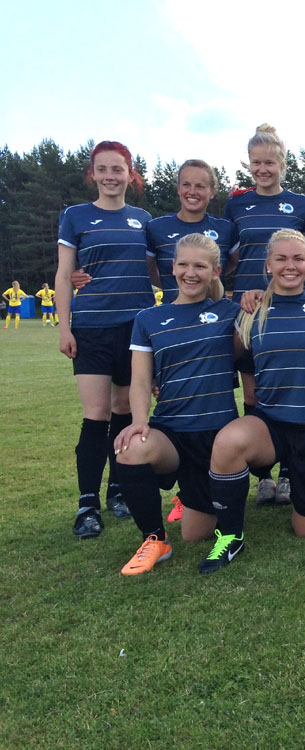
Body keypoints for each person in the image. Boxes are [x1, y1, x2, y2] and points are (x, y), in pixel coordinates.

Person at [203, 229, 305, 573]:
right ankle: (230, 535)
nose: (289, 266)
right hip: (272, 424)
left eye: (298, 258)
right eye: (281, 258)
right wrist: (160, 380)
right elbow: (225, 357)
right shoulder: (251, 311)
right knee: (228, 441)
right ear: (268, 264)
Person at [113, 233, 239, 574]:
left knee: (196, 533)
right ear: (173, 268)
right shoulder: (148, 319)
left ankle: (194, 497)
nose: (190, 273)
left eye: (200, 266)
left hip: (218, 438)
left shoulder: (231, 312)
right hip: (172, 433)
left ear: (215, 271)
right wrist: (139, 421)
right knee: (130, 449)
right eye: (183, 264)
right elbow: (141, 381)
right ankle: (155, 540)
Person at [56, 140, 154, 537]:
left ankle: (118, 489)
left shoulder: (143, 219)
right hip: (92, 328)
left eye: (118, 169)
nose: (110, 176)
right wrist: (65, 327)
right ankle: (87, 505)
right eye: (103, 169)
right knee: (96, 415)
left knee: (124, 411)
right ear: (92, 174)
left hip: (136, 330)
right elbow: (64, 274)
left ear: (130, 175)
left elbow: (157, 271)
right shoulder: (75, 216)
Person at [225, 124, 305, 506]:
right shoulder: (236, 204)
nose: (263, 169)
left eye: (270, 162)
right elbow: (228, 258)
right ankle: (263, 477)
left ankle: (290, 473)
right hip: (249, 309)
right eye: (256, 163)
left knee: (290, 388)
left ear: (282, 164)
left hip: (288, 308)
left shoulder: (302, 204)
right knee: (253, 393)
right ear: (249, 164)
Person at [146, 159, 236, 304]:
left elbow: (233, 264)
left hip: (216, 313)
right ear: (178, 188)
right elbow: (149, 270)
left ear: (212, 192)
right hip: (172, 313)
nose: (192, 192)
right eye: (186, 184)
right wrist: (177, 284)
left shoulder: (227, 229)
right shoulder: (156, 227)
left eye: (200, 186)